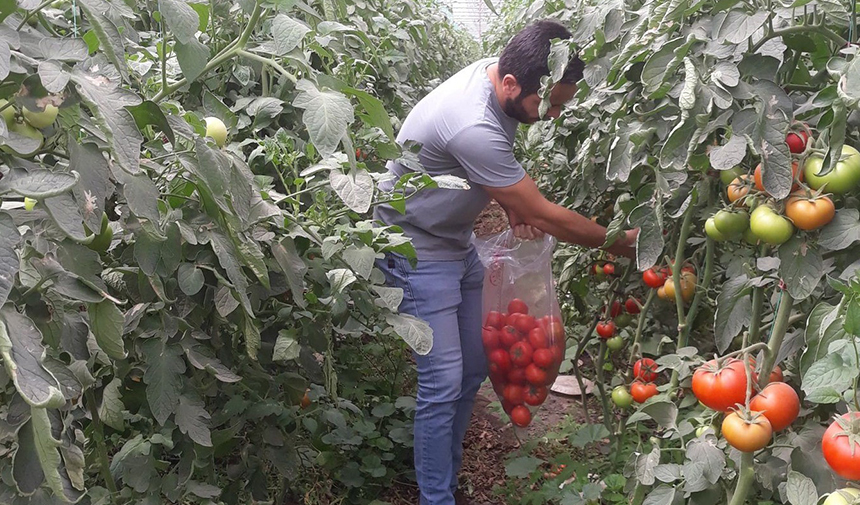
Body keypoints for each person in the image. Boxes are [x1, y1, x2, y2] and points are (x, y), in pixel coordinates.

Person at [373, 19, 638, 505]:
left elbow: (508, 183)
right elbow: (540, 211)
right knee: (443, 381)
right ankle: (438, 498)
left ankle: (446, 482)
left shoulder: (500, 78)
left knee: (473, 368)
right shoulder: (472, 122)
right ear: (511, 83)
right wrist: (624, 242)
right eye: (549, 103)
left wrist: (513, 199)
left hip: (454, 239)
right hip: (413, 247)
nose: (554, 114)